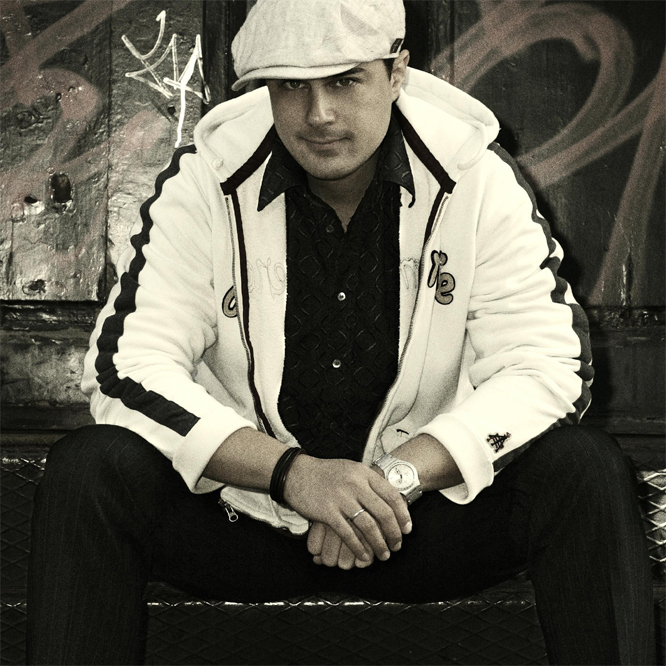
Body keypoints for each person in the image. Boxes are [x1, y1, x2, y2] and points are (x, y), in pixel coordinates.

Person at [27, 0, 654, 663]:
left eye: (345, 80)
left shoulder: (473, 176)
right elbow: (127, 369)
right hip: (248, 517)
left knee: (584, 469)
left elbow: (548, 369)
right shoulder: (206, 178)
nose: (319, 113)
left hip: (416, 518)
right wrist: (293, 476)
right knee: (89, 469)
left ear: (396, 73)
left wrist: (394, 481)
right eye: (291, 85)